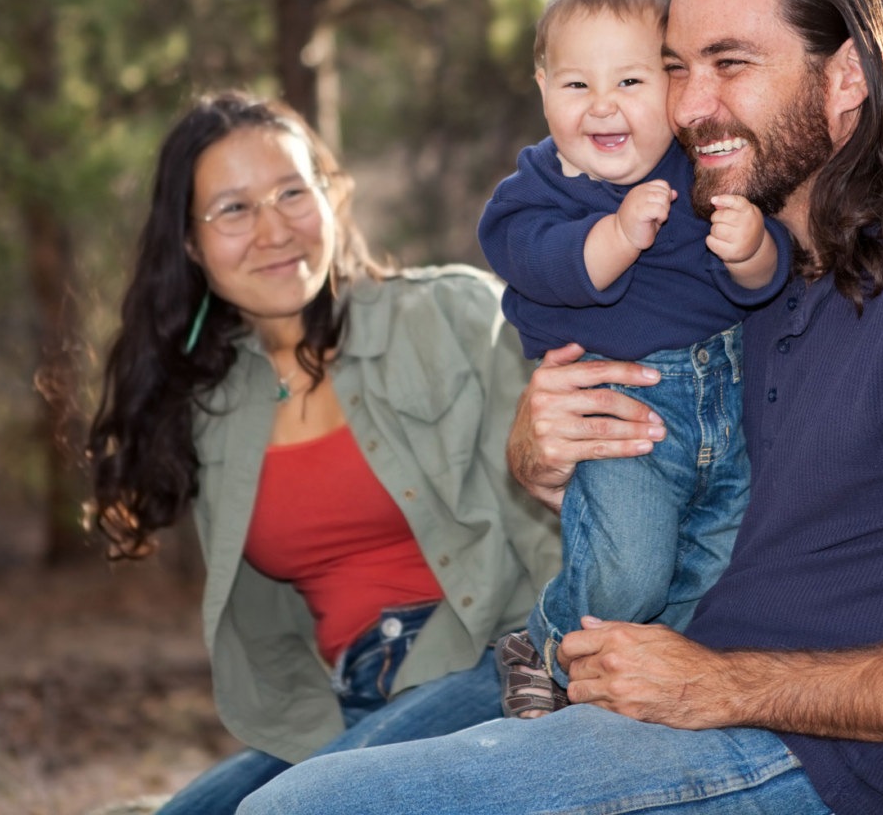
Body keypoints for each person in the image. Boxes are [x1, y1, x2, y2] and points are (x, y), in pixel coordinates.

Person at [236, 0, 883, 815]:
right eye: (676, 67)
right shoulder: (739, 263)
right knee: (240, 799)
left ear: (848, 75)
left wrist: (725, 687)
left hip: (811, 761)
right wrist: (539, 455)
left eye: (730, 64)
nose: (690, 106)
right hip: (647, 678)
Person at [86, 93, 562, 815]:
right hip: (345, 705)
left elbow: (564, 508)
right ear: (189, 243)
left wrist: (575, 660)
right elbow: (269, 628)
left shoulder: (453, 315)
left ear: (331, 198)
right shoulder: (211, 407)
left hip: (493, 663)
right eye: (234, 210)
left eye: (290, 193)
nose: (274, 231)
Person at [478, 0, 790, 716]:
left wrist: (750, 247)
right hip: (625, 413)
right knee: (631, 571)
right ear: (542, 86)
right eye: (576, 85)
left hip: (730, 400)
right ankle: (546, 642)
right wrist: (617, 234)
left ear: (675, 91)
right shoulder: (532, 197)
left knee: (718, 565)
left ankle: (617, 688)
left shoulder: (703, 172)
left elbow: (763, 283)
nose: (602, 107)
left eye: (632, 83)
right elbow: (555, 269)